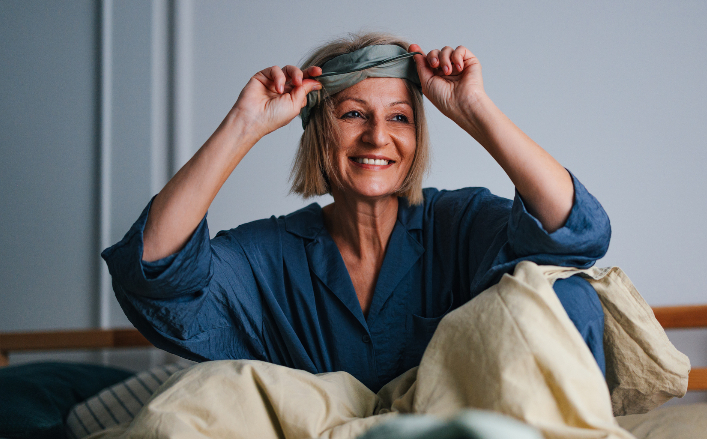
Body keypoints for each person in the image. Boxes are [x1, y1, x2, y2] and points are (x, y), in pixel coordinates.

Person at [103, 33, 610, 394]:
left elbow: (574, 230)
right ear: (320, 131)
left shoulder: (458, 221)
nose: (377, 136)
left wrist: (474, 107)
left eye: (398, 117)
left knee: (569, 297)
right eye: (352, 114)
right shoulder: (270, 255)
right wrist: (244, 125)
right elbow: (154, 271)